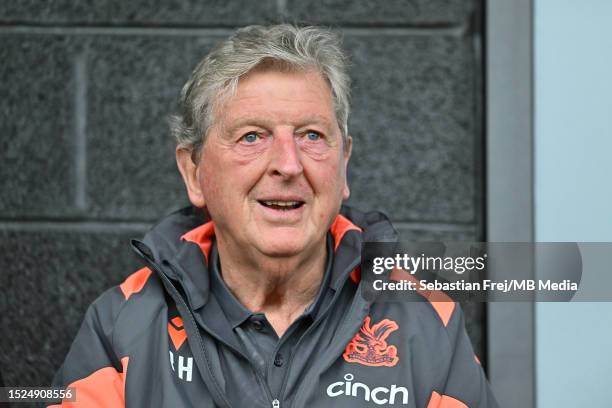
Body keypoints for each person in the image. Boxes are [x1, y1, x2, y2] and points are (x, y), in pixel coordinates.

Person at [50, 24, 497, 407]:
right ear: (194, 172)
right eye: (251, 137)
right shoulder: (123, 325)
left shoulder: (424, 321)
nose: (288, 164)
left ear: (343, 166)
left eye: (311, 135)